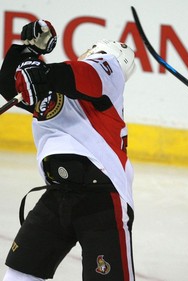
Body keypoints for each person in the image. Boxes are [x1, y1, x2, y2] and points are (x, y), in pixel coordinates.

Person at [0, 19, 137, 281]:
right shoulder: (61, 85)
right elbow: (11, 88)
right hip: (59, 193)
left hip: (101, 199)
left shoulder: (109, 70)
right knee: (20, 271)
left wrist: (43, 73)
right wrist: (26, 51)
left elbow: (86, 76)